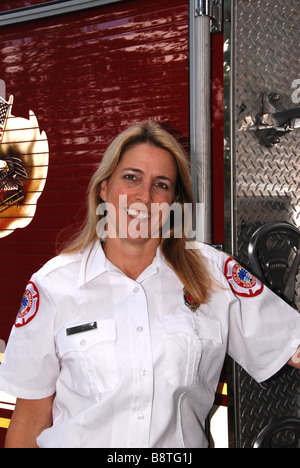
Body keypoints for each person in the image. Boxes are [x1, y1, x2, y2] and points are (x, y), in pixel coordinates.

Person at [0, 120, 299, 448]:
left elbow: (292, 345)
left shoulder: (213, 275)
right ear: (104, 187)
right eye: (131, 178)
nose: (144, 196)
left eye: (161, 184)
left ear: (174, 201)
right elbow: (30, 417)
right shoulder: (53, 286)